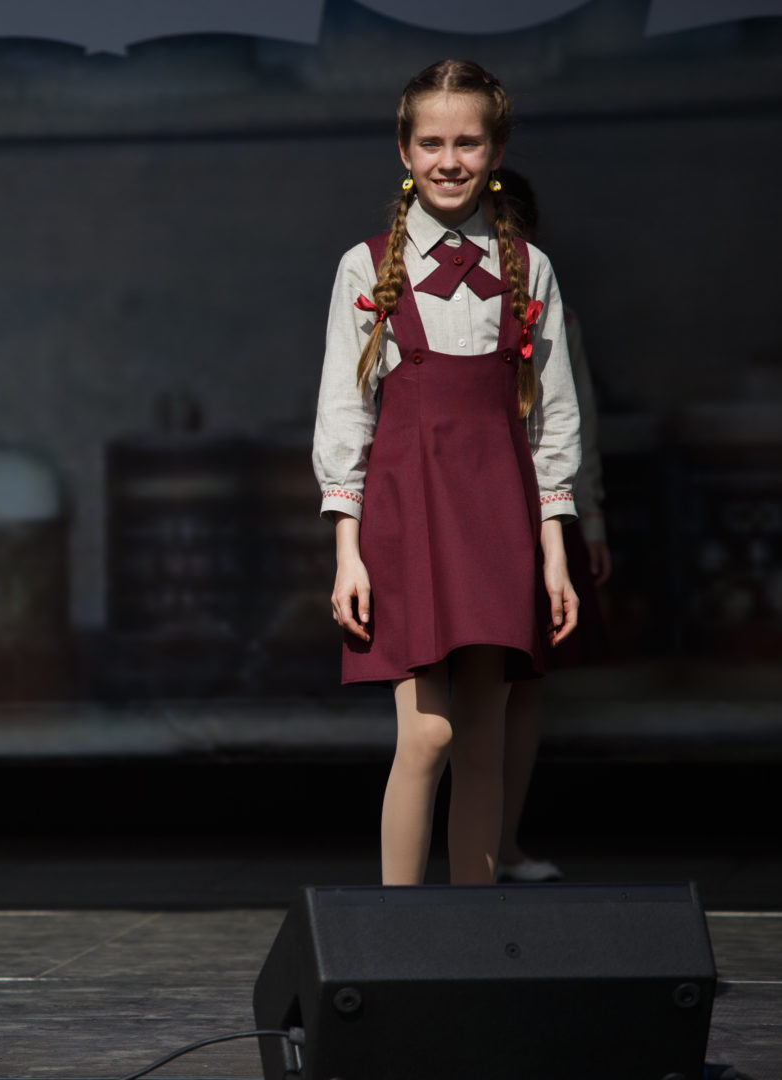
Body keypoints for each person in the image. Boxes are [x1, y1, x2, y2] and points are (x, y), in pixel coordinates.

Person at [312, 60, 581, 886]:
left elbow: (552, 415)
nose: (450, 160)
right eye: (432, 143)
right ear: (404, 150)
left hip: (497, 513)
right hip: (408, 515)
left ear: (495, 149)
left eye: (468, 142)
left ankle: (475, 927)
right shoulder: (365, 266)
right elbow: (344, 412)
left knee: (483, 736)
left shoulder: (530, 267)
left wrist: (554, 549)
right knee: (428, 733)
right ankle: (397, 931)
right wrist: (347, 550)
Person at [492, 168, 612, 884]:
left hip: (539, 507)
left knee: (524, 682)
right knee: (455, 697)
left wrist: (586, 517)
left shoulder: (546, 305)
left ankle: (502, 845)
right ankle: (468, 853)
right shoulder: (410, 290)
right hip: (462, 509)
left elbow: (572, 418)